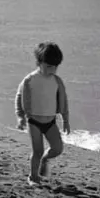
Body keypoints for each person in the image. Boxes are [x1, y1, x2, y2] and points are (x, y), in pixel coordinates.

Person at [15, 42, 71, 186]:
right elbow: (19, 97)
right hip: (34, 121)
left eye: (55, 67)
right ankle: (33, 177)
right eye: (48, 66)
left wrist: (65, 120)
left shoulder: (57, 81)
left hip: (50, 121)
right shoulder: (29, 80)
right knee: (37, 151)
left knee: (58, 148)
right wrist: (20, 117)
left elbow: (63, 100)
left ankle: (45, 159)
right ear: (39, 63)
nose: (52, 70)